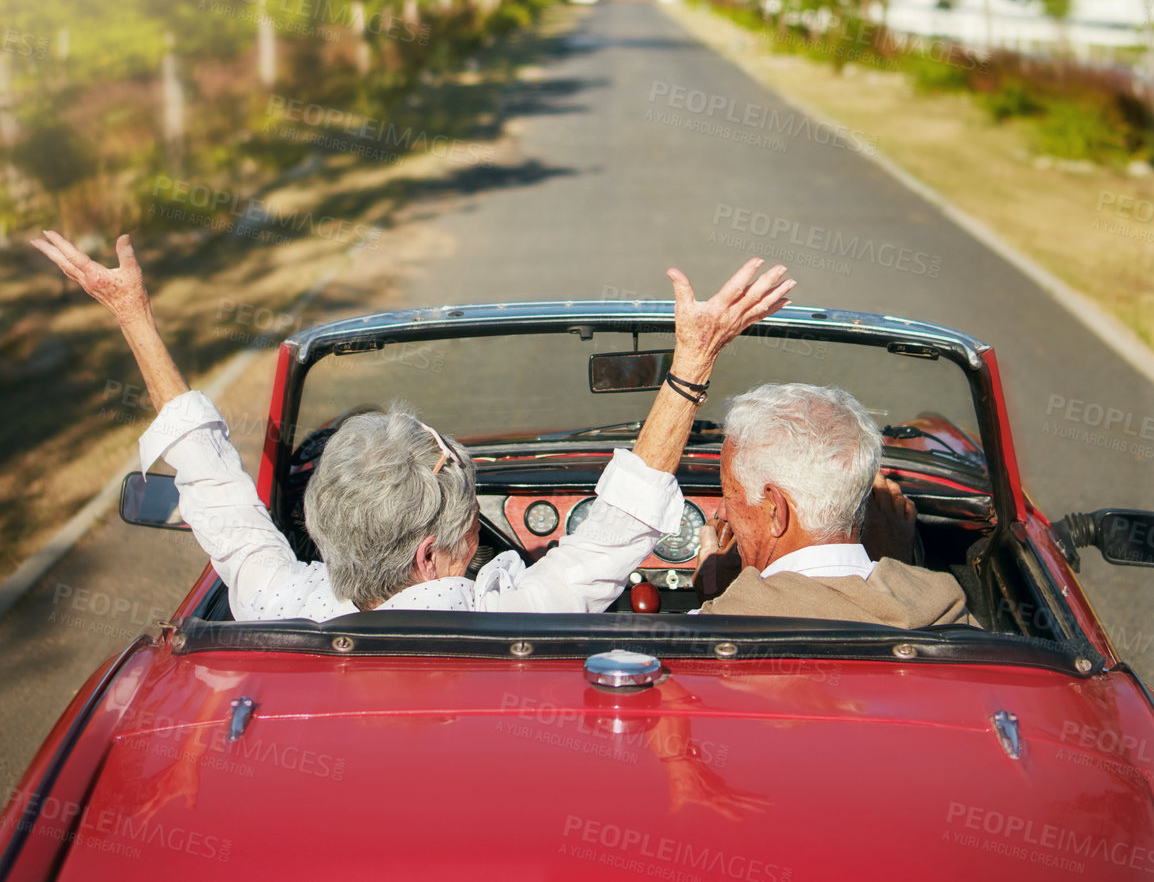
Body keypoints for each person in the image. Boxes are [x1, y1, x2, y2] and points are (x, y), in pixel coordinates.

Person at [31, 230, 797, 620]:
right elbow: (624, 515)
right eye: (472, 520)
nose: (478, 531)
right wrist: (693, 356)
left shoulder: (278, 600)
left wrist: (131, 313)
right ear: (431, 554)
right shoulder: (520, 612)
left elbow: (211, 480)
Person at [691, 382, 972, 625]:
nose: (724, 512)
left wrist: (720, 598)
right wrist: (898, 565)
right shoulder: (945, 606)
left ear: (776, 509)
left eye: (730, 495)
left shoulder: (720, 624)